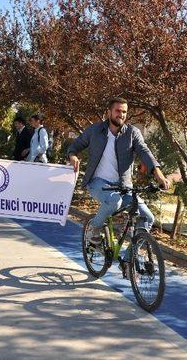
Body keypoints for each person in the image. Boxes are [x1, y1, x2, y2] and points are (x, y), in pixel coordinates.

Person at [67, 97, 171, 249]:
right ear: (109, 112)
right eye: (117, 111)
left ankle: (129, 259)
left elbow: (144, 152)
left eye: (124, 112)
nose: (121, 115)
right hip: (97, 182)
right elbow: (75, 146)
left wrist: (159, 175)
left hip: (124, 186)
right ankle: (93, 228)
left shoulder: (132, 133)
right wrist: (72, 155)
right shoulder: (94, 131)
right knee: (114, 201)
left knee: (148, 218)